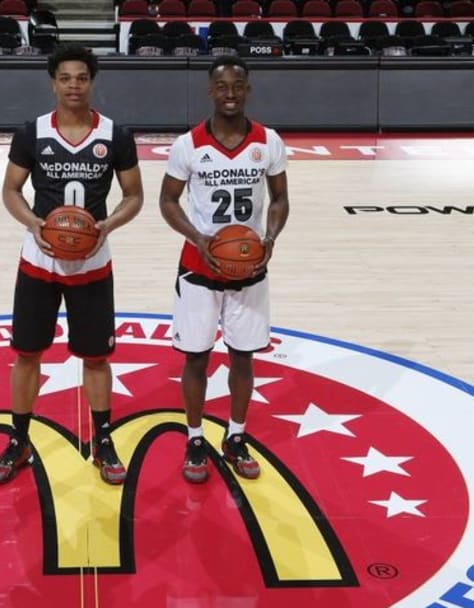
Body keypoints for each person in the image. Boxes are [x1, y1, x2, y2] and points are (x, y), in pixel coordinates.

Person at [0, 45, 144, 486]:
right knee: (27, 354)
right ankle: (18, 439)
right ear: (53, 82)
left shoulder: (116, 135)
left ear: (91, 82)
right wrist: (34, 224)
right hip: (39, 261)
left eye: (82, 77)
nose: (74, 85)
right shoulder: (31, 133)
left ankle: (103, 439)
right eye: (65, 78)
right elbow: (11, 191)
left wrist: (108, 225)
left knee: (96, 358)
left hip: (93, 263)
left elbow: (134, 195)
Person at [158, 55, 290, 484]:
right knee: (196, 357)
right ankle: (195, 437)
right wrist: (199, 239)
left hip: (249, 267)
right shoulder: (188, 145)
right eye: (222, 86)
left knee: (242, 357)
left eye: (238, 85)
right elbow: (168, 202)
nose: (230, 93)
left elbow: (280, 199)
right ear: (210, 91)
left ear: (247, 89)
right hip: (198, 267)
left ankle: (236, 436)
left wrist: (269, 239)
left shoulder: (268, 141)